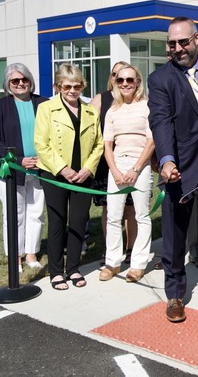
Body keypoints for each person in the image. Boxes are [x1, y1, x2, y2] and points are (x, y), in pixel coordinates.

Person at [148, 16, 198, 322]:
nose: (178, 48)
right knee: (174, 232)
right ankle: (175, 294)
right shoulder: (160, 79)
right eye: (172, 43)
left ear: (196, 39)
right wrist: (166, 159)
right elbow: (160, 121)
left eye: (183, 41)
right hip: (178, 167)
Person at [34, 63, 103, 290]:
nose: (72, 91)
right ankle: (56, 271)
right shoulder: (46, 109)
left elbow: (98, 145)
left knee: (78, 222)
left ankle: (73, 268)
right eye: (67, 87)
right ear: (58, 87)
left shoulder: (91, 111)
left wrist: (87, 169)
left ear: (82, 86)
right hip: (55, 174)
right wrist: (63, 169)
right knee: (57, 222)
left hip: (83, 176)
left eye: (77, 86)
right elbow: (41, 145)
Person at [0, 63, 48, 273]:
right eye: (15, 81)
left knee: (36, 212)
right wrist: (18, 159)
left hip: (40, 169)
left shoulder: (43, 103)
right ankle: (15, 256)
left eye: (24, 80)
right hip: (11, 171)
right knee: (14, 213)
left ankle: (31, 253)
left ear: (31, 81)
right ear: (7, 84)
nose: (21, 84)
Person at [100, 64, 155, 283]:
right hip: (117, 167)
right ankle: (112, 262)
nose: (125, 84)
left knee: (142, 215)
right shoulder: (112, 111)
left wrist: (135, 169)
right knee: (113, 216)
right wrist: (115, 171)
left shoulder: (147, 107)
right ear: (115, 83)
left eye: (130, 80)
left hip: (140, 165)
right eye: (120, 80)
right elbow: (107, 146)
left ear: (138, 83)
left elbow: (151, 142)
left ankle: (138, 264)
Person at [91, 61, 138, 266]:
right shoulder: (101, 99)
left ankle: (131, 248)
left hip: (132, 162)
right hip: (105, 162)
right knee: (110, 209)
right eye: (115, 75)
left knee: (131, 208)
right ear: (111, 78)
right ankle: (112, 249)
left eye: (126, 76)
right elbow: (91, 132)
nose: (121, 80)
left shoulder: (139, 100)